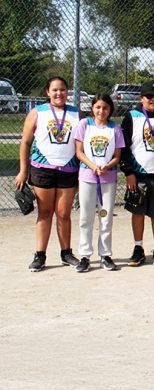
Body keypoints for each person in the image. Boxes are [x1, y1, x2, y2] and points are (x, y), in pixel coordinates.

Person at [16, 76, 81, 271]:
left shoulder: (76, 113)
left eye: (62, 89)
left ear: (67, 92)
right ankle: (40, 255)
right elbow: (25, 143)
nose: (59, 93)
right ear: (47, 92)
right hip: (42, 169)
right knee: (45, 212)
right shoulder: (38, 113)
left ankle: (66, 253)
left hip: (68, 169)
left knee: (63, 214)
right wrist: (22, 171)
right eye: (54, 90)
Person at [119, 81, 154, 267]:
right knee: (138, 212)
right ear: (141, 98)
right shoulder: (132, 116)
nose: (153, 100)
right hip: (138, 174)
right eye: (149, 96)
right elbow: (123, 146)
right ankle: (138, 247)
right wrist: (128, 172)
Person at [73, 93, 124, 272]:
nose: (101, 111)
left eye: (105, 108)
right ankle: (85, 255)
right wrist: (93, 166)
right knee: (86, 216)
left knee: (106, 216)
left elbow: (117, 156)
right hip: (88, 176)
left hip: (107, 177)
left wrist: (106, 166)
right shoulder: (84, 124)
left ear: (110, 110)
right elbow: (79, 152)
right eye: (98, 107)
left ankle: (105, 254)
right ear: (93, 108)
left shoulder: (114, 128)